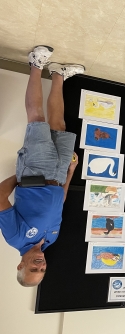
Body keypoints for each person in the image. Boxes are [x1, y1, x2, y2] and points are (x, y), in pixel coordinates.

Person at [0, 45, 85, 286]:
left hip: (34, 172)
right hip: (58, 175)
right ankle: (59, 74)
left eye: (33, 268)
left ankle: (36, 64)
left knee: (36, 120)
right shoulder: (51, 240)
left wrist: (20, 176)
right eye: (42, 269)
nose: (40, 264)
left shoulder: (15, 238)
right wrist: (69, 174)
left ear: (21, 265)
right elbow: (60, 203)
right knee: (59, 124)